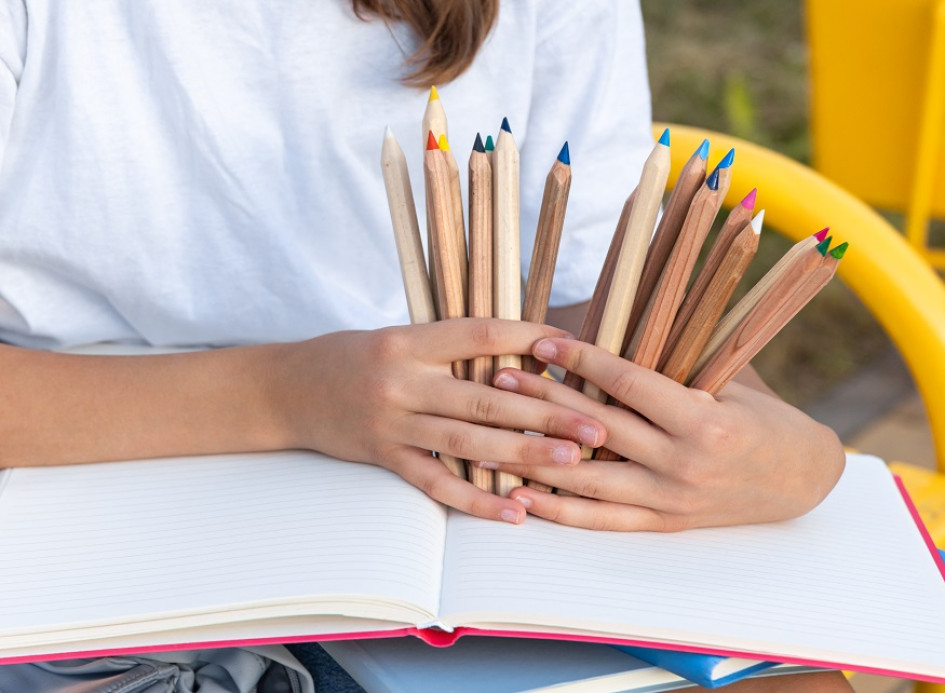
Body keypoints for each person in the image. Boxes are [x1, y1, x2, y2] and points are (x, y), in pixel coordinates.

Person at [0, 0, 850, 690]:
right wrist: (291, 394)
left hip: (482, 543)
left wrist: (778, 450)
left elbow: (596, 297)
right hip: (80, 534)